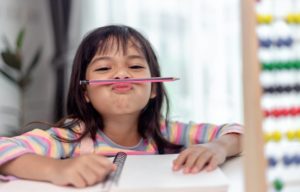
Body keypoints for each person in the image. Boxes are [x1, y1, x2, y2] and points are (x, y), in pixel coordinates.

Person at [0, 25, 243, 188]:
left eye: (135, 67)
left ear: (154, 88)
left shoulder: (165, 132)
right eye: (105, 68)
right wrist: (57, 169)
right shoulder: (71, 137)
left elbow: (241, 132)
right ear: (85, 91)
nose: (121, 75)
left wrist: (218, 147)